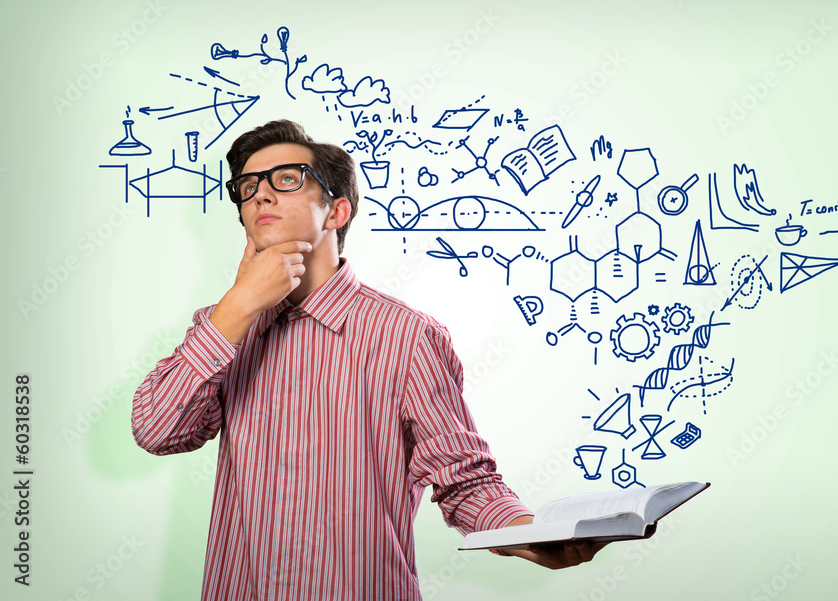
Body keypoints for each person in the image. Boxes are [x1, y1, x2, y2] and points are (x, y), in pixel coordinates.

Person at [130, 120, 601, 600]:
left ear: (335, 211)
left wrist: (525, 531)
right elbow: (157, 431)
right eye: (248, 187)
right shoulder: (221, 327)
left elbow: (464, 480)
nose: (260, 196)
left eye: (286, 179)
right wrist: (237, 308)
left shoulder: (408, 336)